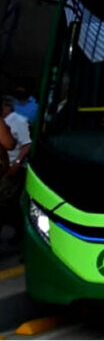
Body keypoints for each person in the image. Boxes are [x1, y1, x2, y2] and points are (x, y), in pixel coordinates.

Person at [1, 95, 32, 244]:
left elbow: (27, 144)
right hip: (4, 167)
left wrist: (17, 163)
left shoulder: (19, 121)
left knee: (6, 203)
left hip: (13, 167)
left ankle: (20, 233)